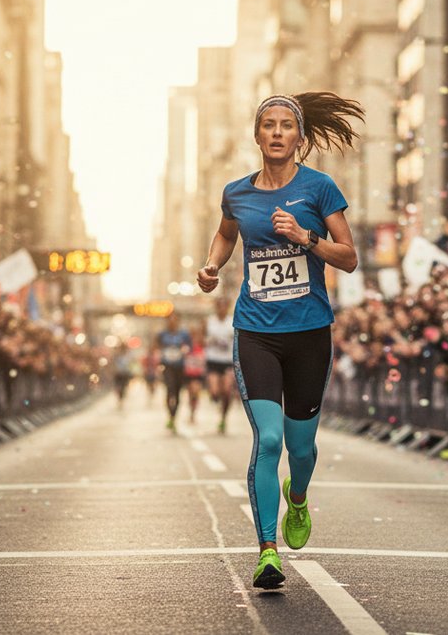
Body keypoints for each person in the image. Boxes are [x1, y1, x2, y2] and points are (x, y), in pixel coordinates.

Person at [196, 91, 361, 589]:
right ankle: (268, 550)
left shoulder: (320, 188)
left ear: (300, 138)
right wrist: (212, 266)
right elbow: (226, 234)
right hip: (256, 332)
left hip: (309, 332)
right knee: (268, 440)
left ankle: (300, 495)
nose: (276, 133)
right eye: (268, 124)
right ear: (257, 135)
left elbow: (349, 257)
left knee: (301, 448)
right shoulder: (237, 193)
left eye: (285, 126)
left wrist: (305, 238)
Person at [204, 295, 236, 434]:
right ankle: (214, 396)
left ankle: (223, 418)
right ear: (216, 307)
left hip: (228, 361)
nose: (222, 308)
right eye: (219, 306)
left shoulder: (233, 322)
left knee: (227, 391)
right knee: (215, 391)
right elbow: (200, 339)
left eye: (224, 306)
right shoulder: (209, 322)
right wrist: (207, 340)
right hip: (212, 360)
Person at [154, 312, 191, 431]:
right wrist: (158, 355)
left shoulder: (184, 334)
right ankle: (170, 415)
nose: (172, 322)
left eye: (175, 319)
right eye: (170, 320)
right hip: (167, 366)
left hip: (179, 366)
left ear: (178, 321)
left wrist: (185, 349)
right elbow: (156, 347)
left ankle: (174, 416)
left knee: (177, 392)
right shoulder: (162, 334)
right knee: (170, 389)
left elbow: (189, 346)